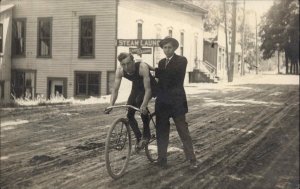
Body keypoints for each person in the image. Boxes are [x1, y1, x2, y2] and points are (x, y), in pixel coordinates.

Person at [151, 37, 198, 170]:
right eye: (165, 47)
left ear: (175, 48)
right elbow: (160, 82)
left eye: (169, 47)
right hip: (162, 102)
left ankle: (192, 159)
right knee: (161, 131)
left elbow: (172, 75)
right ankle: (162, 159)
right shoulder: (161, 63)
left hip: (177, 102)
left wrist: (154, 70)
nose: (167, 50)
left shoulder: (181, 61)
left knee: (183, 130)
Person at [104, 52, 157, 150]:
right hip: (136, 87)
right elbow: (115, 90)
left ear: (133, 61)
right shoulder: (120, 71)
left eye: (128, 63)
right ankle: (139, 138)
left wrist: (144, 105)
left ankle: (146, 135)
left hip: (151, 87)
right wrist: (111, 105)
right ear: (120, 64)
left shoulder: (142, 67)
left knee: (140, 102)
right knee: (129, 113)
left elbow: (148, 89)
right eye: (123, 64)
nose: (126, 66)